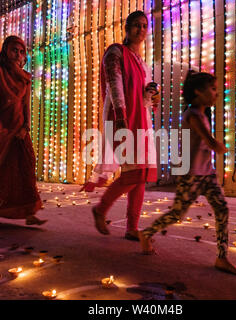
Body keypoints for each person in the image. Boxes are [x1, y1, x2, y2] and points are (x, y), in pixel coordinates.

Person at [138, 71, 236, 277]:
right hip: (191, 175)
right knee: (178, 214)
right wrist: (218, 145)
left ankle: (222, 257)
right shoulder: (192, 114)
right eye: (213, 89)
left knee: (222, 209)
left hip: (207, 174)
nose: (216, 93)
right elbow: (209, 140)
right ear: (198, 92)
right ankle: (147, 233)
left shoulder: (203, 114)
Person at [80, 11, 159, 241]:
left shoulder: (142, 62)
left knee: (142, 173)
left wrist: (152, 95)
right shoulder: (115, 52)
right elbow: (114, 83)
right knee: (135, 172)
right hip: (123, 117)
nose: (141, 29)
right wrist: (121, 115)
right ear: (126, 27)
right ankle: (101, 209)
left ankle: (132, 227)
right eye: (136, 25)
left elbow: (144, 91)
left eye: (144, 26)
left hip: (141, 119)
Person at [0, 35, 46, 227]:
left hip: (18, 130)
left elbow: (25, 106)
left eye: (21, 51)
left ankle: (29, 211)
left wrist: (25, 128)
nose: (17, 54)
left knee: (26, 167)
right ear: (5, 50)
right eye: (13, 50)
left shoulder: (24, 77)